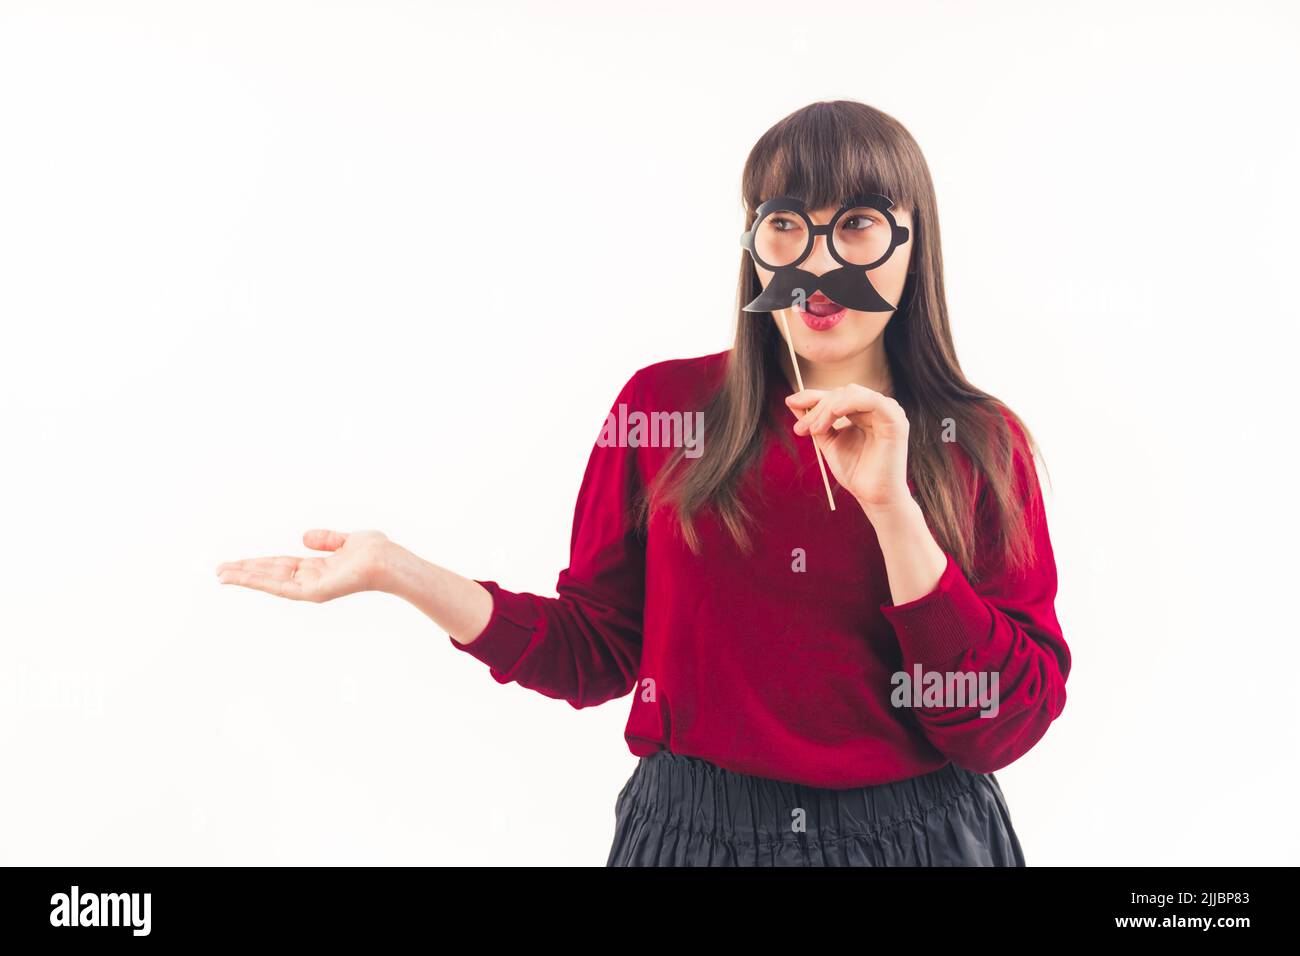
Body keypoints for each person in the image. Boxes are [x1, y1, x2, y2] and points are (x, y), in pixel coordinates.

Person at [216, 99, 1071, 867]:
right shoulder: (665, 409)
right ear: (752, 241)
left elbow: (1005, 721)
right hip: (693, 838)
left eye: (856, 224)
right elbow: (594, 650)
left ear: (913, 242)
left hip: (917, 842)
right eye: (786, 225)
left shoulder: (979, 442)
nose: (818, 261)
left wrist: (892, 511)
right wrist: (397, 571)